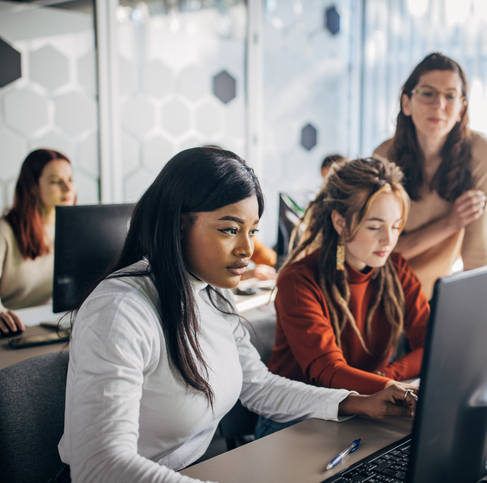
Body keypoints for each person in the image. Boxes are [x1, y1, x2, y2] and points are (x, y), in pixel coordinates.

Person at [57, 147, 416, 483]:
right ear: (179, 225)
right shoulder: (120, 311)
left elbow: (257, 385)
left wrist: (356, 402)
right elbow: (99, 465)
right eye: (230, 230)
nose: (247, 249)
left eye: (252, 231)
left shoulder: (212, 294)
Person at [262, 157, 428, 437]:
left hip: (364, 407)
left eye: (396, 225)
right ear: (340, 222)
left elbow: (432, 343)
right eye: (375, 227)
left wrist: (386, 378)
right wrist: (387, 386)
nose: (389, 240)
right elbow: (329, 371)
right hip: (297, 420)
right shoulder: (298, 280)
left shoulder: (397, 269)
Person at [374, 52, 487, 299]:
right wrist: (450, 223)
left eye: (450, 95)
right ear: (406, 103)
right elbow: (376, 250)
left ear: (462, 107)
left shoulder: (480, 152)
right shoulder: (384, 157)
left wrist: (485, 313)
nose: (439, 105)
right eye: (428, 93)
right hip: (382, 293)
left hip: (435, 299)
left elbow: (476, 253)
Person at [0, 149, 76, 334]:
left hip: (53, 325)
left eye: (70, 180)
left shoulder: (76, 228)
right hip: (14, 329)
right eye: (56, 181)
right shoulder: (5, 230)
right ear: (33, 186)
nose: (67, 188)